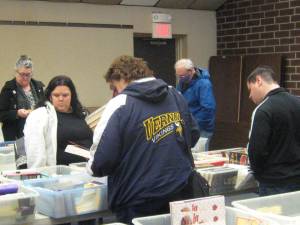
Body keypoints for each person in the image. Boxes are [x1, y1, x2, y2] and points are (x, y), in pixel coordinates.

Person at [87, 55, 200, 224]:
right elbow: (193, 134)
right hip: (178, 191)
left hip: (137, 199)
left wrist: (90, 167)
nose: (116, 92)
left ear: (122, 78)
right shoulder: (174, 95)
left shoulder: (120, 103)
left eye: (115, 87)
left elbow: (102, 162)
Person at [247, 66, 300, 196]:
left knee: (272, 216)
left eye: (250, 89)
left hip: (274, 182)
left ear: (259, 81)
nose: (249, 95)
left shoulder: (263, 110)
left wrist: (258, 174)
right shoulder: (298, 102)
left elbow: (257, 150)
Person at [24, 75, 93, 168]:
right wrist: (39, 175)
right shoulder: (41, 115)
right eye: (56, 95)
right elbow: (35, 150)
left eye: (65, 95)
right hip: (59, 174)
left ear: (72, 96)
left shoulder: (81, 113)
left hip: (88, 170)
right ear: (50, 96)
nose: (61, 99)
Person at [175, 58, 216, 152]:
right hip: (187, 127)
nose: (180, 78)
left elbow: (208, 108)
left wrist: (193, 125)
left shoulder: (204, 84)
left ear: (191, 71)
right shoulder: (182, 82)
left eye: (182, 76)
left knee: (199, 158)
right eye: (179, 76)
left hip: (202, 129)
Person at [0, 55, 44, 141]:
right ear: (16, 72)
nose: (25, 78)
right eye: (22, 74)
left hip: (37, 134)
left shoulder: (38, 87)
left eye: (28, 75)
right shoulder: (8, 88)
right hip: (16, 135)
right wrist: (17, 113)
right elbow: (1, 114)